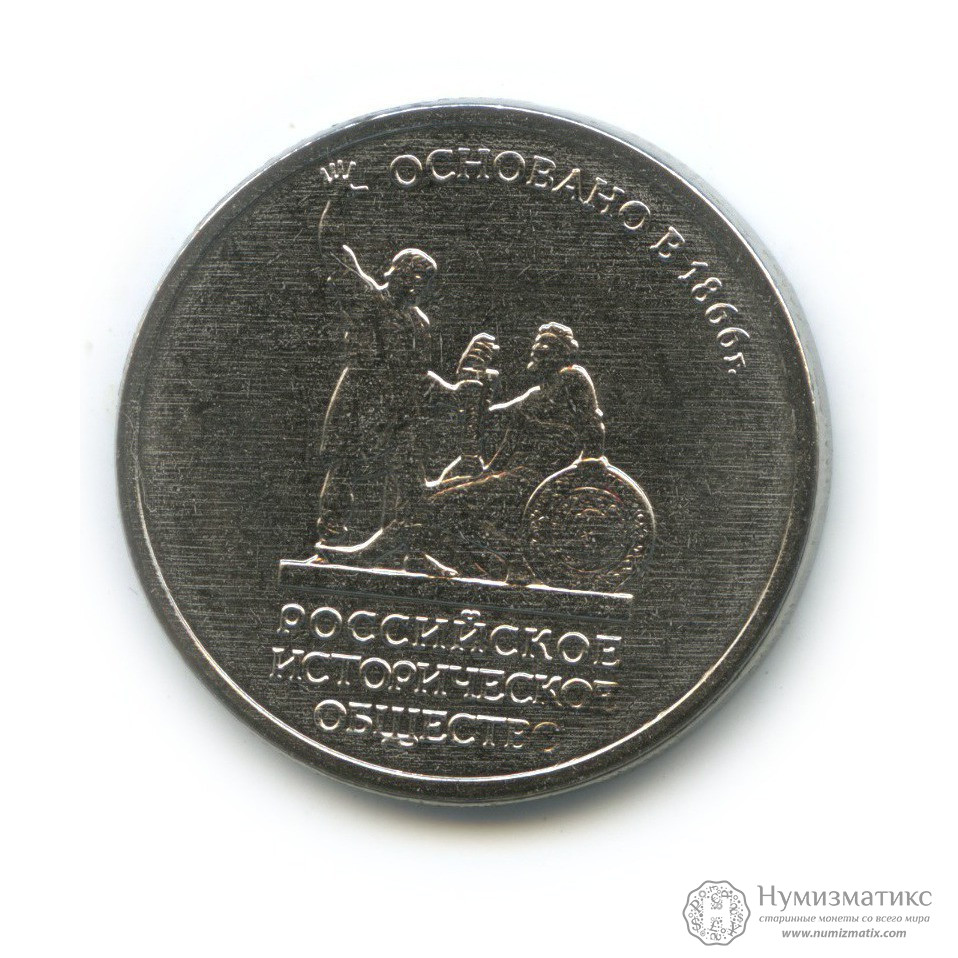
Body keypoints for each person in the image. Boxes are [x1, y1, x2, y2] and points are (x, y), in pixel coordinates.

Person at [426, 322, 605, 580]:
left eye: (544, 348)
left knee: (444, 501)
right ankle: (497, 562)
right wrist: (473, 380)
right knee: (444, 498)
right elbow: (498, 427)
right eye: (536, 347)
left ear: (560, 354)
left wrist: (591, 460)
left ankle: (518, 559)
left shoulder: (572, 378)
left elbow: (593, 422)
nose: (536, 352)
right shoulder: (532, 398)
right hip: (516, 475)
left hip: (540, 479)